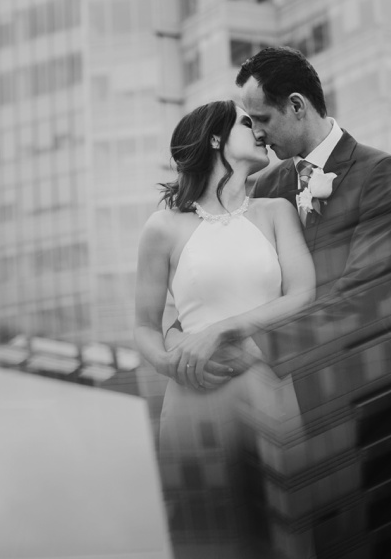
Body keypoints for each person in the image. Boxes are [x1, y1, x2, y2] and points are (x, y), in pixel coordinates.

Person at [237, 47, 391, 557]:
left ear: (297, 105)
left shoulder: (383, 174)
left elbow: (361, 300)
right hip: (285, 427)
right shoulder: (264, 188)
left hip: (369, 413)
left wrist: (256, 348)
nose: (255, 135)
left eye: (262, 120)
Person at [135, 99, 316, 559]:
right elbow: (143, 327)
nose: (258, 129)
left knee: (286, 533)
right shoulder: (163, 227)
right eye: (244, 122)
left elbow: (301, 295)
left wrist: (221, 332)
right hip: (194, 395)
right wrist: (172, 362)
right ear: (216, 138)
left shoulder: (277, 211)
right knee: (207, 538)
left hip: (268, 388)